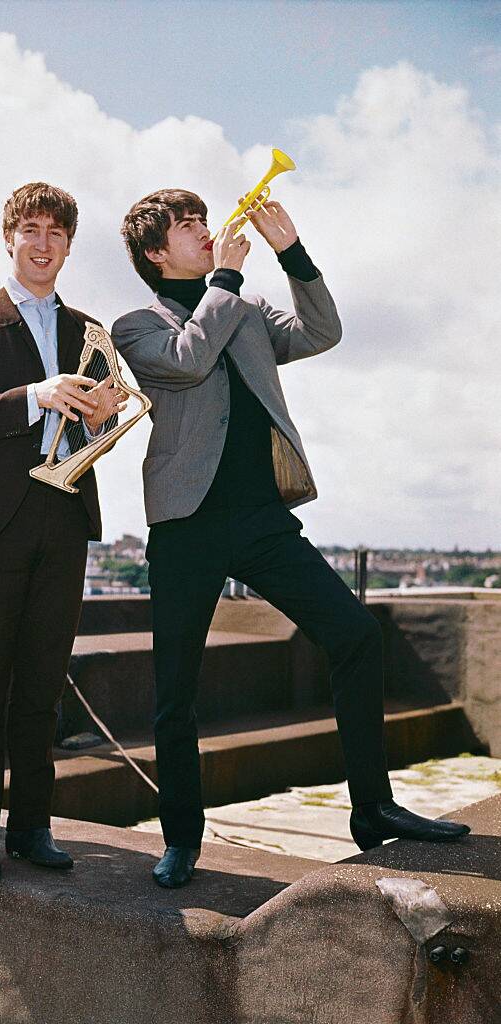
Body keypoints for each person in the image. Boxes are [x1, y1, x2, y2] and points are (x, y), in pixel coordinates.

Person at [112, 189, 470, 888]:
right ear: (155, 253)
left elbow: (319, 333)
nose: (206, 230)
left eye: (201, 220)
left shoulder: (242, 308)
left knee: (353, 634)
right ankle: (181, 838)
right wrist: (225, 280)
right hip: (184, 524)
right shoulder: (135, 326)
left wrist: (291, 254)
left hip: (260, 517)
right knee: (173, 691)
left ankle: (372, 810)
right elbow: (186, 360)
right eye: (187, 227)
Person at [0, 182, 125, 884]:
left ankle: (31, 829)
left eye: (55, 233)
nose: (42, 243)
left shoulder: (88, 329)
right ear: (8, 237)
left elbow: (97, 427)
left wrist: (103, 417)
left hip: (64, 517)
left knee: (43, 686)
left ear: (69, 245)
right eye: (30, 230)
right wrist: (31, 398)